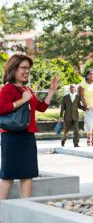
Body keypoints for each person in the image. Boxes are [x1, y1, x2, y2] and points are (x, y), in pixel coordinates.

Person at [0, 54, 60, 199]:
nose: (27, 71)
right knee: (8, 175)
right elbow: (1, 108)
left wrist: (51, 91)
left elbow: (41, 107)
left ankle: (25, 211)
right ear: (14, 69)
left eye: (28, 68)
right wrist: (22, 100)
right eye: (23, 68)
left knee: (28, 174)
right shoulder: (9, 88)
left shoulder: (27, 90)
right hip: (12, 136)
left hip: (27, 136)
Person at [59, 83, 81, 147]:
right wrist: (60, 116)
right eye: (71, 87)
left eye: (74, 87)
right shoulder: (65, 97)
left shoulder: (77, 97)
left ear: (76, 89)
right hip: (67, 117)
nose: (73, 88)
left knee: (76, 130)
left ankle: (76, 143)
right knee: (66, 130)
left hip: (75, 116)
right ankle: (63, 140)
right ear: (69, 89)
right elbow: (62, 108)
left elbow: (79, 106)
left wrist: (86, 108)